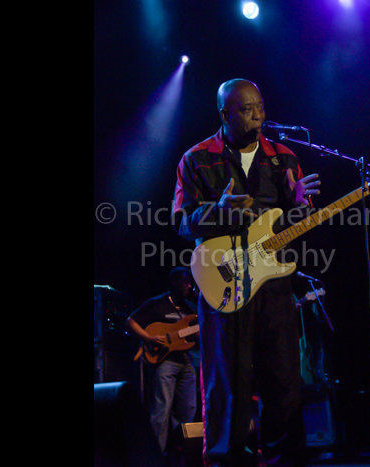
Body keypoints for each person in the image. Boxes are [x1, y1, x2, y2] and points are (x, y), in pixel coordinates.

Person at [173, 79, 322, 467]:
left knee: (284, 379)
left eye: (260, 107)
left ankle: (284, 460)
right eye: (246, 108)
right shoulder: (197, 158)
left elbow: (289, 220)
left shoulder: (283, 156)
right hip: (222, 283)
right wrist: (218, 209)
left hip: (273, 286)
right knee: (227, 383)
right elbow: (181, 221)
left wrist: (303, 209)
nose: (257, 114)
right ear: (225, 114)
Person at [126, 267, 199, 461]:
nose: (189, 286)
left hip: (186, 361)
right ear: (174, 282)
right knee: (161, 410)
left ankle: (181, 452)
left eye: (191, 283)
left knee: (188, 409)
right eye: (186, 282)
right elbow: (131, 321)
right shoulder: (157, 303)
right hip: (164, 362)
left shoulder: (190, 308)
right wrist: (148, 338)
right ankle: (154, 457)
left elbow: (197, 335)